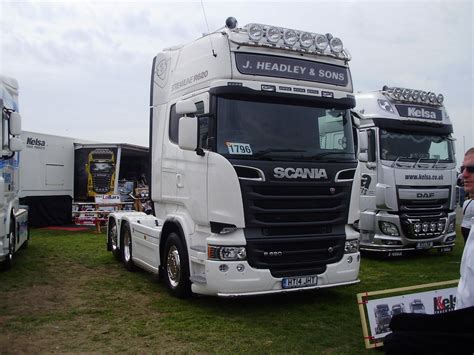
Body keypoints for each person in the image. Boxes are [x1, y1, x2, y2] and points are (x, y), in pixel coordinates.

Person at [384, 148, 474, 354]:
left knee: (396, 343)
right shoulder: (471, 212)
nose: (464, 174)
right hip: (463, 316)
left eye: (472, 169)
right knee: (400, 323)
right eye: (463, 168)